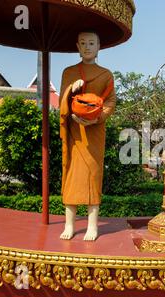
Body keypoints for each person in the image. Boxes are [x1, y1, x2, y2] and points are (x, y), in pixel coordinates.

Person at [59, 30, 116, 241]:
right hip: (75, 131)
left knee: (93, 175)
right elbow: (62, 101)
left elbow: (110, 102)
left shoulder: (106, 74)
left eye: (92, 43)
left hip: (94, 132)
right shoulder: (69, 72)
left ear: (99, 46)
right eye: (83, 43)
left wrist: (97, 118)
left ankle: (92, 226)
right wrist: (71, 90)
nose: (87, 47)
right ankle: (69, 224)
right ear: (77, 46)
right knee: (72, 176)